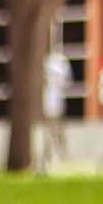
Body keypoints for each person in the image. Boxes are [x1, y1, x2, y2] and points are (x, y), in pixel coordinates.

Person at [38, 42, 71, 171]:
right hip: (54, 100)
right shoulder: (59, 62)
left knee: (53, 128)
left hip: (51, 100)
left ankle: (56, 153)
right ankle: (54, 153)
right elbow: (68, 81)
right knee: (54, 128)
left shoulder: (50, 62)